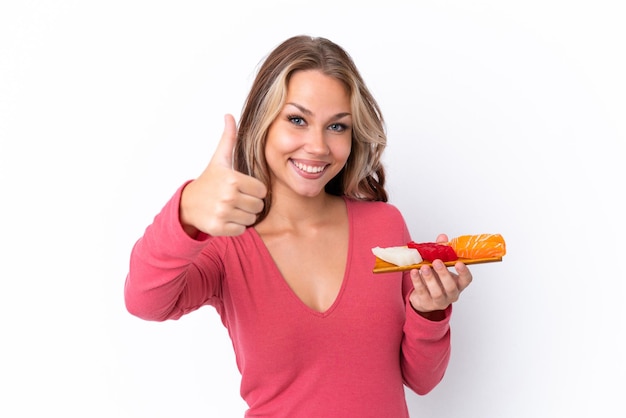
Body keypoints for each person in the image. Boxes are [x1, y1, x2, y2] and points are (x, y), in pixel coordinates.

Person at [124, 35, 473, 417]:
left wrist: (429, 312)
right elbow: (145, 302)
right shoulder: (229, 244)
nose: (318, 146)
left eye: (337, 127)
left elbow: (422, 380)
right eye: (297, 120)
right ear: (263, 123)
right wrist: (187, 210)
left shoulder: (384, 226)